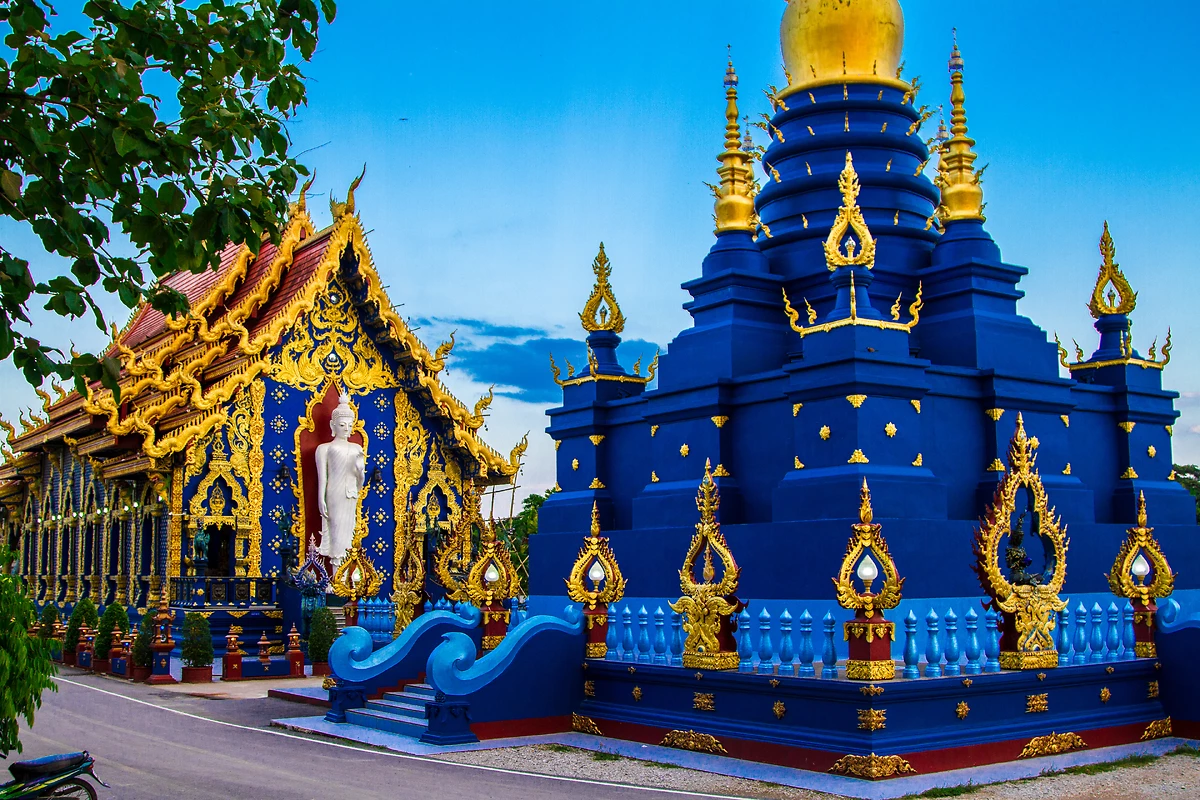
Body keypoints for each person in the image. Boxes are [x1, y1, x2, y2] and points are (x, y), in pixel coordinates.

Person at [315, 393, 365, 568]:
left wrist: (360, 473)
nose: (346, 428)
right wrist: (320, 499)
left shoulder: (357, 448)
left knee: (347, 534)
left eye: (350, 425)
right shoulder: (324, 449)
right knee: (335, 532)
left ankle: (343, 579)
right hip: (334, 494)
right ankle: (335, 579)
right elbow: (323, 477)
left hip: (350, 495)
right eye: (342, 425)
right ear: (333, 425)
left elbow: (360, 485)